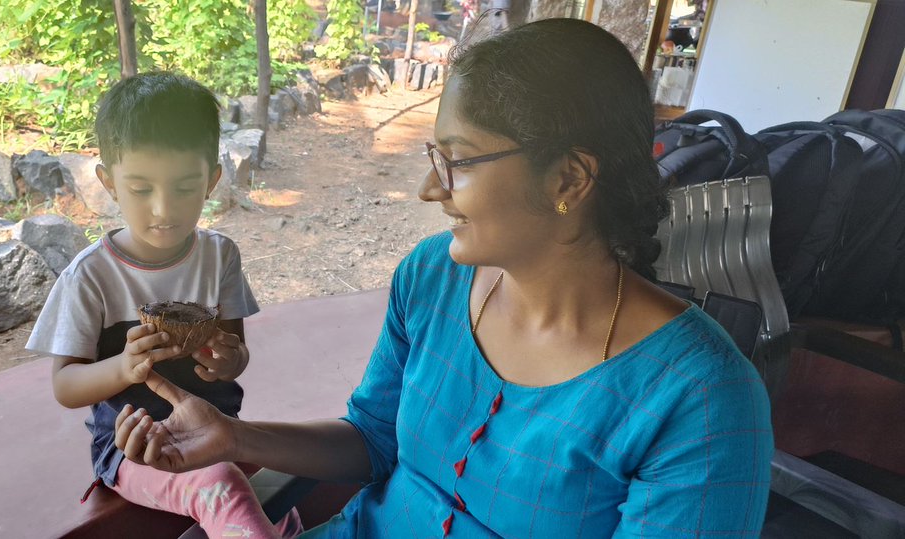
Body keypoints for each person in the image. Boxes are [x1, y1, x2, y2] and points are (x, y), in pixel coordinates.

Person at [113, 18, 774, 538]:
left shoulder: (702, 403)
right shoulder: (432, 279)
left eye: (456, 161)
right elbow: (374, 441)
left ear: (569, 178)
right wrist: (237, 439)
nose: (432, 188)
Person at [25, 72, 302, 538]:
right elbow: (66, 387)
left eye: (184, 186)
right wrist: (124, 367)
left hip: (217, 427)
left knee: (282, 500)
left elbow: (234, 354)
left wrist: (228, 360)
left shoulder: (219, 256)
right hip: (133, 445)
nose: (163, 209)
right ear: (109, 183)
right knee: (223, 489)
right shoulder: (91, 276)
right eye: (140, 189)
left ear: (212, 180)